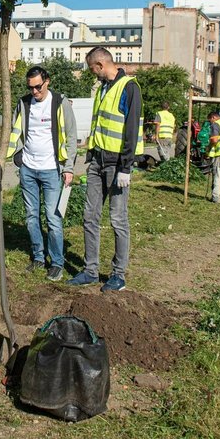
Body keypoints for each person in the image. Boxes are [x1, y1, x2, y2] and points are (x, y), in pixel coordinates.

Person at [69, 46, 143, 292]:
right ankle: (90, 270)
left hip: (117, 165)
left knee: (118, 220)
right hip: (98, 162)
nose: (93, 74)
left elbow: (131, 130)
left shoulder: (129, 88)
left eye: (92, 69)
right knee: (90, 217)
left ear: (100, 65)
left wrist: (126, 167)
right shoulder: (103, 88)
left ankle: (118, 275)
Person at [6, 65, 77, 282]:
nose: (34, 92)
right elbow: (14, 129)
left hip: (52, 169)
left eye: (38, 87)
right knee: (30, 216)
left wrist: (69, 167)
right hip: (28, 168)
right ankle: (38, 256)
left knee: (53, 218)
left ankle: (56, 262)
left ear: (47, 81)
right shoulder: (24, 103)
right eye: (31, 88)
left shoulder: (60, 102)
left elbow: (71, 136)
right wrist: (17, 156)